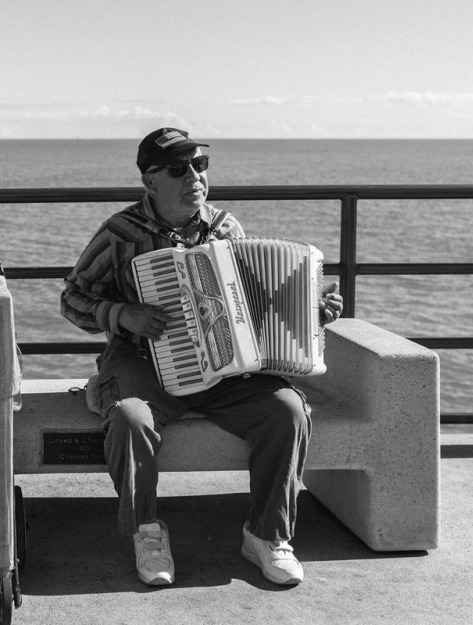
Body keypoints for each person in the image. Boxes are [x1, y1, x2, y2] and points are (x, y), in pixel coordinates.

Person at [60, 127, 343, 587]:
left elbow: (254, 311)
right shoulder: (119, 233)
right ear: (150, 181)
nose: (194, 175)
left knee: (288, 411)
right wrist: (121, 313)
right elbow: (72, 299)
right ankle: (146, 532)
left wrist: (312, 314)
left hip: (225, 371)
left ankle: (267, 536)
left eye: (199, 165)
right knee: (131, 419)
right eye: (178, 168)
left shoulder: (227, 228)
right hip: (142, 362)